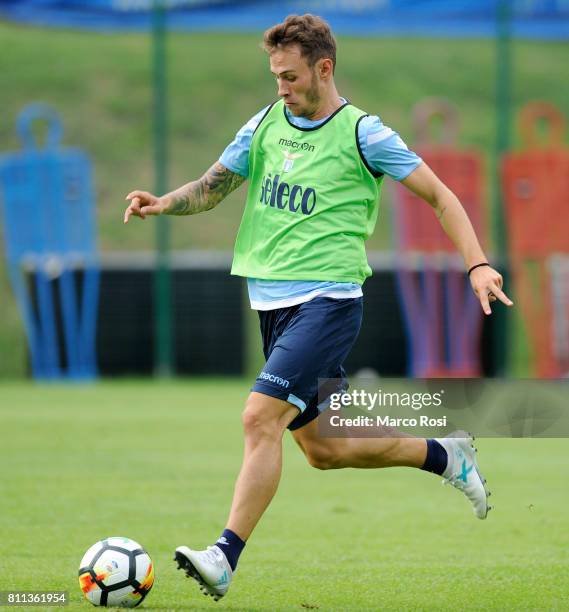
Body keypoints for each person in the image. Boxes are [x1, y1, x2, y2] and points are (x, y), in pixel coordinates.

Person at [124, 14, 513, 601]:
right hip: (273, 306)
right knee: (325, 450)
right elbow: (212, 187)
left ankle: (224, 558)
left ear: (323, 68)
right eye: (275, 76)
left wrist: (477, 264)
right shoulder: (263, 125)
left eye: (289, 76)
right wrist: (162, 204)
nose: (280, 87)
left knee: (260, 418)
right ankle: (445, 454)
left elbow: (440, 196)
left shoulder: (365, 134)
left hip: (328, 303)